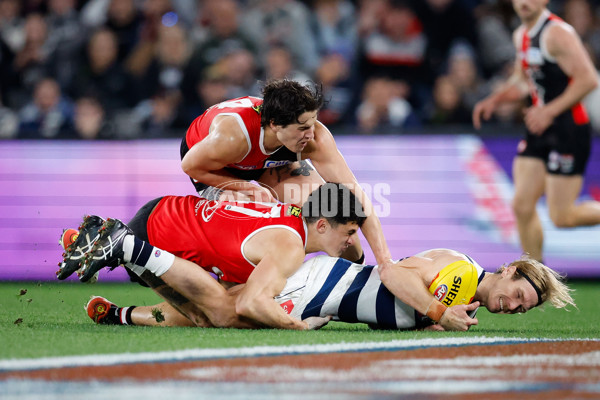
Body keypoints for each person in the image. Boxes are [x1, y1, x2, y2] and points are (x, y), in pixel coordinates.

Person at [57, 183, 366, 330]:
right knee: (225, 314)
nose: (351, 242)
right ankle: (123, 247)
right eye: (350, 233)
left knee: (211, 314)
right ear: (322, 225)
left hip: (165, 215)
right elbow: (250, 304)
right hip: (160, 233)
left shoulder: (294, 216)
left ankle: (117, 313)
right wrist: (296, 326)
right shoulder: (291, 247)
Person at [180, 78, 390, 276]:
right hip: (217, 165)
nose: (310, 134)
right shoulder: (233, 136)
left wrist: (384, 261)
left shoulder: (315, 138)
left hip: (264, 159)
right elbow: (190, 166)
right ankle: (241, 288)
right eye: (302, 128)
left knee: (335, 212)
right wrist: (247, 188)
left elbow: (355, 196)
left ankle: (357, 277)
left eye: (313, 124)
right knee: (245, 217)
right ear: (275, 125)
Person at [84, 248, 575, 331]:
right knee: (224, 313)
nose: (512, 308)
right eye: (518, 296)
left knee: (223, 306)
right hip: (326, 284)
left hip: (328, 296)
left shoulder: (464, 296)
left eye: (520, 311)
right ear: (508, 270)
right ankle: (137, 253)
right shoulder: (461, 270)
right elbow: (391, 273)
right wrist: (436, 312)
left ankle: (120, 314)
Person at [472, 0, 600, 262]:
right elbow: (523, 81)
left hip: (568, 130)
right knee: (521, 205)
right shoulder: (521, 34)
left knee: (561, 216)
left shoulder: (558, 33)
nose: (524, 2)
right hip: (539, 129)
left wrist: (548, 111)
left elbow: (589, 79)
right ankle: (535, 278)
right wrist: (495, 99)